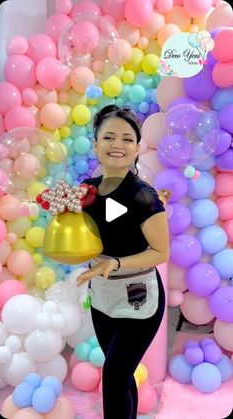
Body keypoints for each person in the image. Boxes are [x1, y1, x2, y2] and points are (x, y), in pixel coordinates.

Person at [77, 105, 170, 419]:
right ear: (96, 144)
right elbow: (82, 238)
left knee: (114, 377)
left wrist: (113, 263)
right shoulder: (86, 191)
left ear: (137, 147)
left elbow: (161, 253)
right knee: (120, 374)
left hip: (138, 296)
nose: (117, 145)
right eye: (109, 137)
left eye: (127, 139)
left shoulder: (144, 196)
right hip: (102, 295)